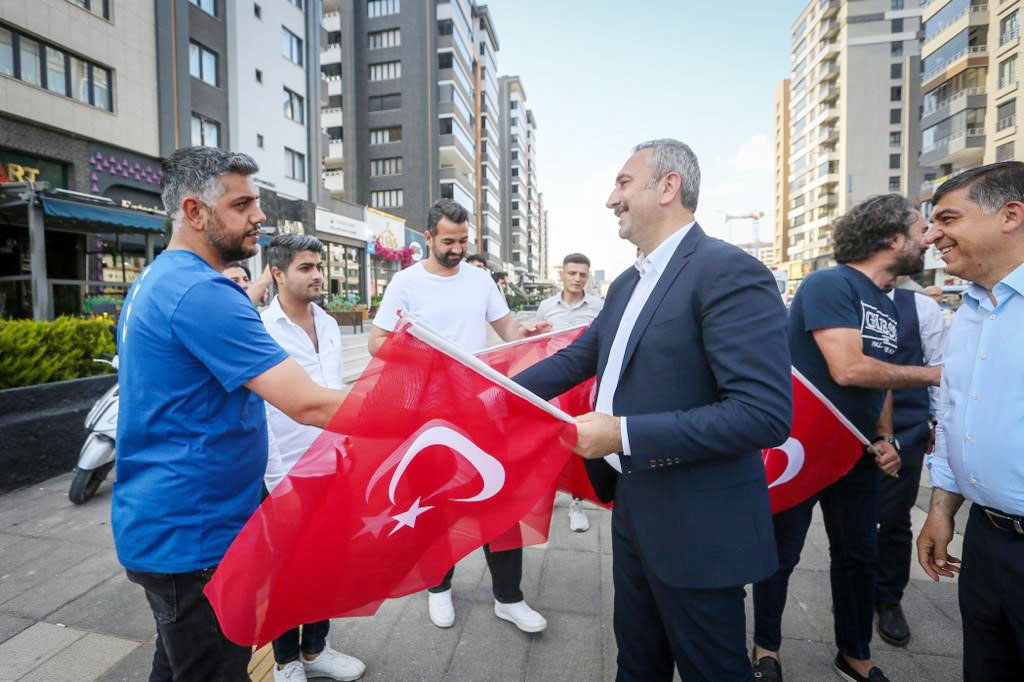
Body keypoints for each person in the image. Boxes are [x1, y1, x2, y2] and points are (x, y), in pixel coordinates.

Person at [514, 139, 793, 681]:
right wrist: (492, 392)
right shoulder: (627, 282)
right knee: (637, 662)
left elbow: (762, 414)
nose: (610, 199)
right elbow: (578, 358)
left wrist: (623, 434)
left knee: (712, 669)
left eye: (623, 182)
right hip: (634, 506)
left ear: (668, 187)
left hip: (698, 524)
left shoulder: (728, 271)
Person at [114, 147, 348, 681]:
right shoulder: (203, 292)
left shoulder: (160, 277)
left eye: (256, 202)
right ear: (195, 212)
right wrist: (429, 415)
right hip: (196, 538)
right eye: (242, 205)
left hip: (172, 526)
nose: (259, 216)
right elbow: (309, 402)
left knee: (178, 667)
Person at [750, 194, 941, 682]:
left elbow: (882, 378)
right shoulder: (829, 284)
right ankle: (766, 648)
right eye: (919, 230)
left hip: (857, 454)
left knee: (859, 554)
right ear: (892, 238)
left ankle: (853, 653)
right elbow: (850, 369)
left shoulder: (887, 302)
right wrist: (936, 374)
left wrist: (886, 436)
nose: (928, 240)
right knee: (781, 554)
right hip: (803, 448)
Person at [367, 198, 552, 633]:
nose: (456, 249)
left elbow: (507, 330)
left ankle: (509, 597)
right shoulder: (406, 283)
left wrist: (525, 331)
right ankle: (438, 586)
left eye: (463, 241)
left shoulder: (480, 279)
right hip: (427, 414)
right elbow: (377, 342)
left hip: (481, 406)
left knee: (500, 496)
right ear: (428, 237)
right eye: (448, 241)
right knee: (434, 503)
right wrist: (426, 357)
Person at [916, 161, 1024, 681]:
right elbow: (956, 413)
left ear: (1011, 215)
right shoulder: (973, 310)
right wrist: (942, 509)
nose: (931, 236)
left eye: (948, 219)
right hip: (987, 540)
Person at [260, 233, 366, 682]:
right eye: (305, 268)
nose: (318, 275)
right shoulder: (261, 329)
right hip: (284, 469)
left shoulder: (328, 322)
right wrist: (275, 480)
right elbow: (260, 412)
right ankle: (284, 662)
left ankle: (315, 649)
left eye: (319, 266)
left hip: (333, 463)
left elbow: (333, 392)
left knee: (326, 562)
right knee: (285, 571)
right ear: (278, 274)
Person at [875, 283, 946, 647]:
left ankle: (889, 598)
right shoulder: (838, 297)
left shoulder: (921, 307)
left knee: (894, 519)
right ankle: (853, 589)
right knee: (850, 521)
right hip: (845, 427)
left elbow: (938, 368)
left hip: (907, 428)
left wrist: (935, 423)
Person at [535, 252, 605, 532]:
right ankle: (547, 492)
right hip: (553, 388)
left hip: (584, 388)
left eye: (582, 274)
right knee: (549, 441)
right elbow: (539, 343)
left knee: (578, 440)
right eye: (572, 273)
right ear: (562, 274)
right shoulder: (546, 307)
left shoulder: (599, 307)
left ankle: (577, 502)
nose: (577, 279)